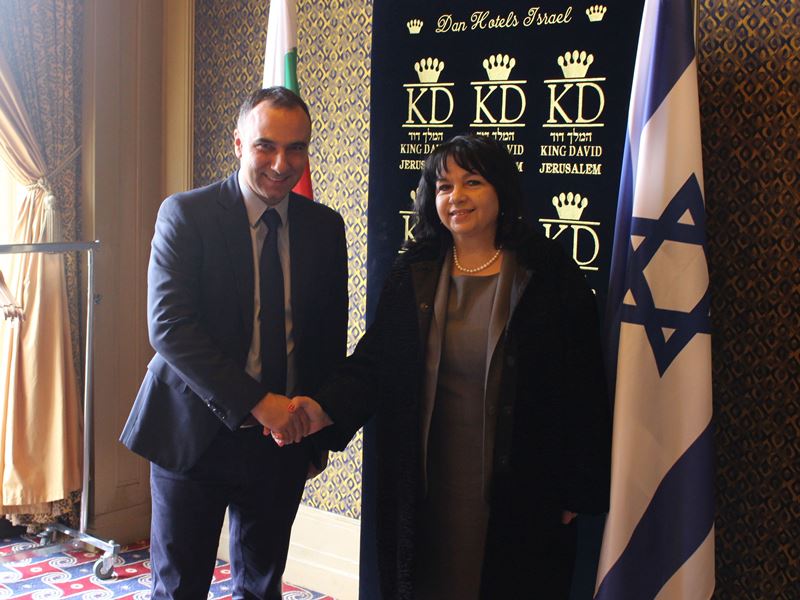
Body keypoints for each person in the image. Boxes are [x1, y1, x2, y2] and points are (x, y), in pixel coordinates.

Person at [288, 134, 611, 599]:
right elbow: (375, 363)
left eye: (472, 182)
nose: (456, 196)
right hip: (426, 478)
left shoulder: (549, 272)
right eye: (443, 186)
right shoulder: (414, 270)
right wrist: (322, 408)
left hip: (523, 479)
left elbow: (583, 384)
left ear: (501, 189)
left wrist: (576, 486)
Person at [119, 87, 348, 599]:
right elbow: (170, 327)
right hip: (192, 431)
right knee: (179, 586)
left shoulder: (324, 228)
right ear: (239, 143)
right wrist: (257, 402)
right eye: (266, 145)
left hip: (281, 441)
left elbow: (327, 338)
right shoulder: (186, 214)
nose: (282, 164)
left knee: (262, 586)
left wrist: (316, 434)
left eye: (296, 148)